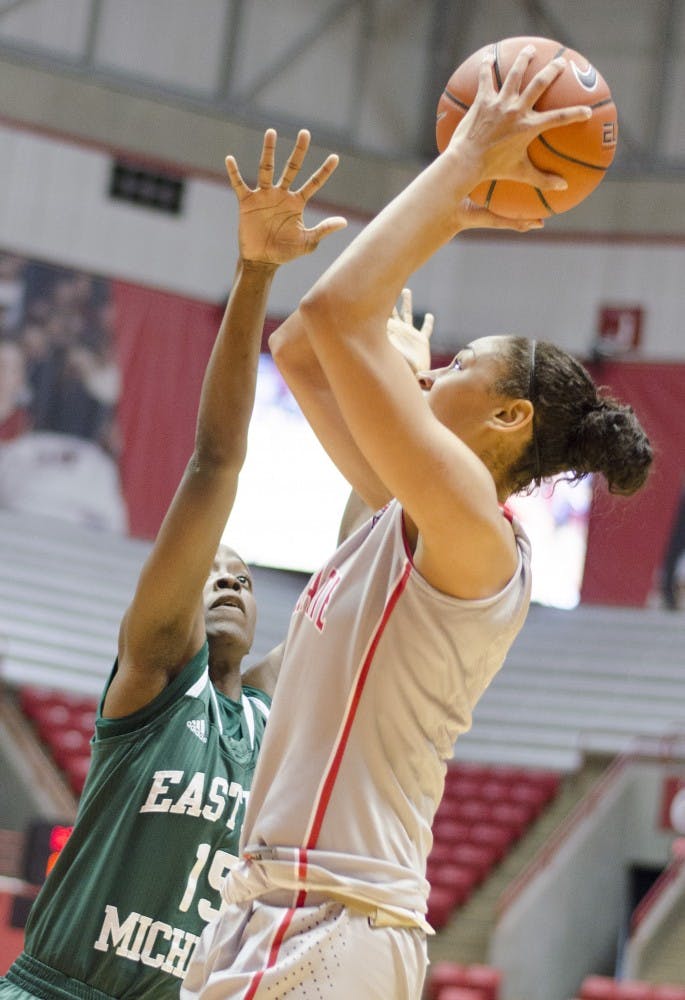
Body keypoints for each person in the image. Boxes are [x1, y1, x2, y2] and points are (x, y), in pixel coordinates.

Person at [181, 47, 653, 999]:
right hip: (277, 908)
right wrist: (431, 225)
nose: (431, 368)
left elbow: (331, 312)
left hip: (332, 918)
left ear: (509, 418)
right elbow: (305, 345)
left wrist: (461, 170)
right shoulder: (403, 512)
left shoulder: (476, 534)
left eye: (458, 364)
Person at [0, 129, 346, 1000]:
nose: (227, 578)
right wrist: (257, 276)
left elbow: (359, 568)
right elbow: (215, 465)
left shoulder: (267, 715)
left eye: (243, 574)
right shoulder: (154, 677)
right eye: (211, 567)